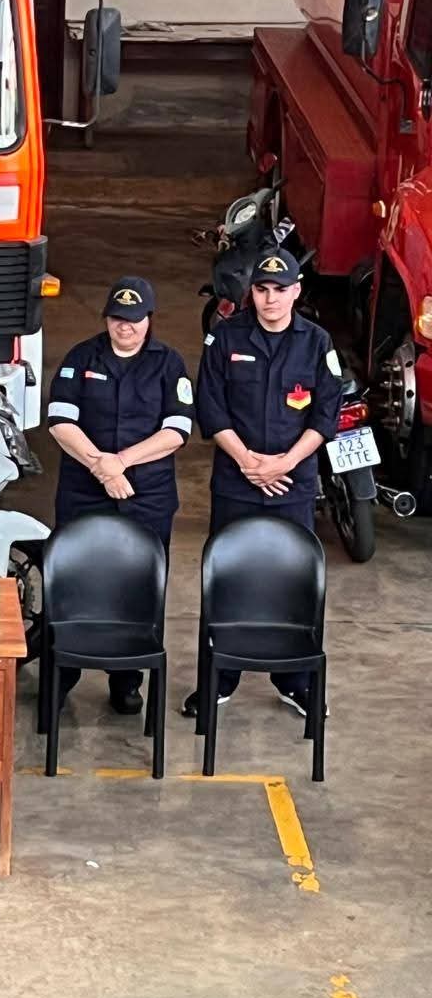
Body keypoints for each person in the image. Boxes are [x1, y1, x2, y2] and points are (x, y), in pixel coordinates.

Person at [183, 248, 343, 720]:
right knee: (225, 581)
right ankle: (218, 679)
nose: (270, 298)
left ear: (296, 292)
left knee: (294, 584)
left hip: (293, 484)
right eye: (261, 289)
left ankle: (295, 682)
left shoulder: (317, 343)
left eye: (280, 289)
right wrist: (248, 462)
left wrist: (284, 463)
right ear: (251, 292)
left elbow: (326, 414)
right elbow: (211, 407)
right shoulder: (225, 337)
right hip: (237, 483)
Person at [47, 275, 194, 714]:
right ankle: (62, 676)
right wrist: (101, 466)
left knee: (139, 586)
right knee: (72, 580)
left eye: (133, 318)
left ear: (149, 319)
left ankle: (127, 681)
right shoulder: (81, 357)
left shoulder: (169, 364)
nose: (124, 326)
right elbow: (60, 421)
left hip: (146, 495)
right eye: (116, 318)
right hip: (84, 493)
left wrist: (121, 462)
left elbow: (177, 430)